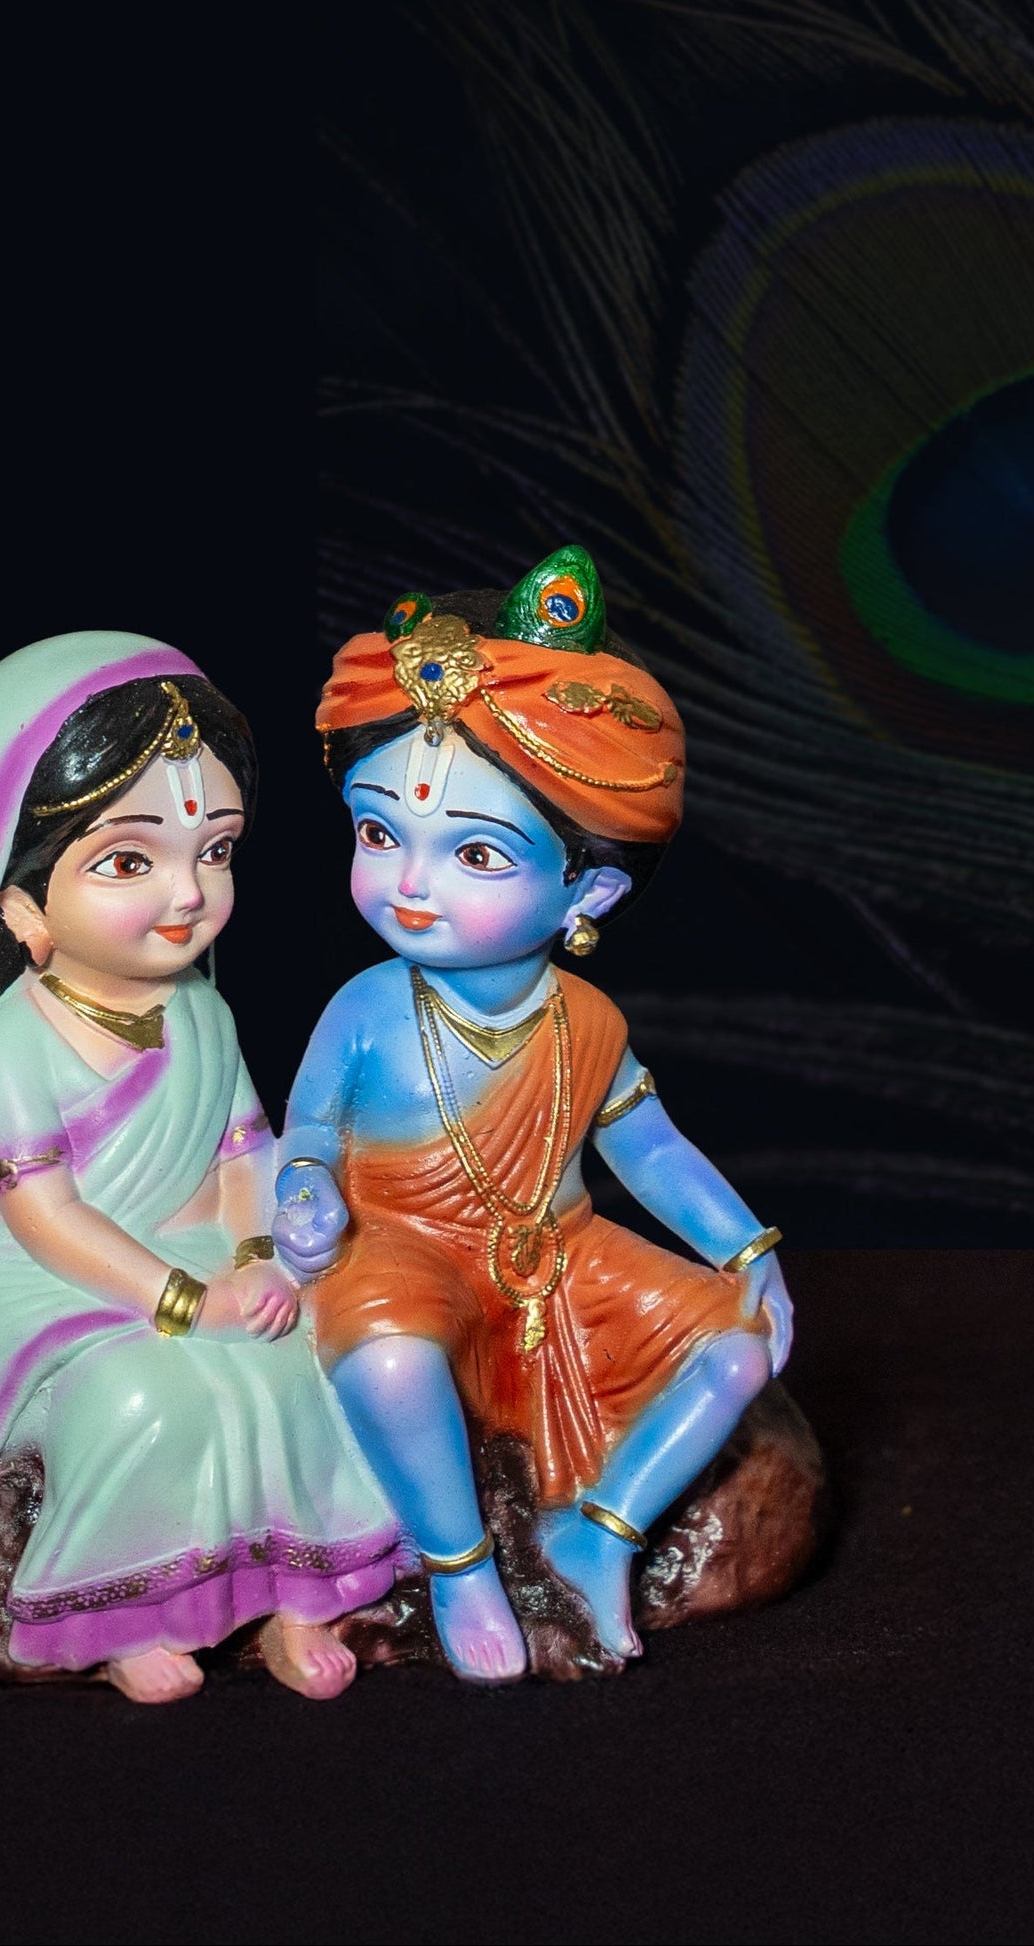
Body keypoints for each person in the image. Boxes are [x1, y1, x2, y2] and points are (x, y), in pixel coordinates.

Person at [0, 633, 398, 1704]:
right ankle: (125, 1613)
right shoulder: (17, 1043)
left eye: (215, 850)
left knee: (303, 1361)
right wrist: (184, 1299)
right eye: (129, 861)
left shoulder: (203, 1015)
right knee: (144, 1395)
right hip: (61, 1282)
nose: (187, 893)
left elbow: (243, 1149)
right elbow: (46, 1216)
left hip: (203, 1253)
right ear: (20, 905)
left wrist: (259, 1256)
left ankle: (300, 1604)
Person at [273, 549, 793, 1681]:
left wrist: (746, 1250)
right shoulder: (368, 1006)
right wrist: (305, 1189)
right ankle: (458, 1566)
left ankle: (597, 1533)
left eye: (473, 851)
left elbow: (649, 1147)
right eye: (378, 834)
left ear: (586, 891)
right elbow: (306, 1130)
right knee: (391, 1363)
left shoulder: (586, 1020)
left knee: (734, 1354)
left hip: (557, 1252)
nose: (411, 882)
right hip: (399, 1248)